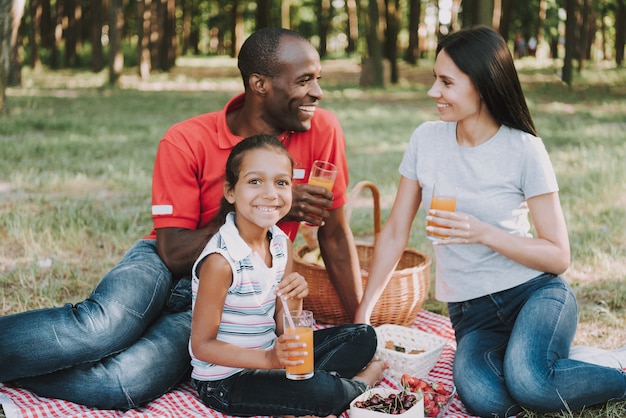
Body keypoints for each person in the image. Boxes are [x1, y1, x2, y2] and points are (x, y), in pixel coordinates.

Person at [0, 27, 364, 409]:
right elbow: (172, 252)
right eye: (304, 81)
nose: (318, 92)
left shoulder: (322, 129)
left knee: (125, 382)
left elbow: (336, 237)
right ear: (259, 84)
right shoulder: (185, 139)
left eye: (317, 79)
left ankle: (17, 371)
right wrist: (254, 205)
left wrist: (363, 320)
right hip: (161, 263)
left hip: (227, 298)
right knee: (99, 330)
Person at [354, 26, 626, 417]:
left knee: (531, 385)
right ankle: (560, 364)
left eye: (446, 82)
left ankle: (614, 369)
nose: (433, 92)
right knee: (489, 401)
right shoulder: (426, 140)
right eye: (435, 79)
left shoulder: (523, 149)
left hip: (534, 294)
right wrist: (364, 312)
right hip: (472, 314)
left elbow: (558, 255)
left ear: (481, 84)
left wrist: (483, 233)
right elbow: (396, 231)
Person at [190, 134, 385, 417]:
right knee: (322, 392)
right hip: (227, 381)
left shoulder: (281, 243)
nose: (270, 193)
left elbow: (285, 327)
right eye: (255, 181)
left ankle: (301, 394)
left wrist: (294, 300)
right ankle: (360, 384)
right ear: (231, 191)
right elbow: (202, 345)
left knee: (363, 336)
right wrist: (269, 360)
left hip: (274, 355)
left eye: (281, 182)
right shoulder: (221, 261)